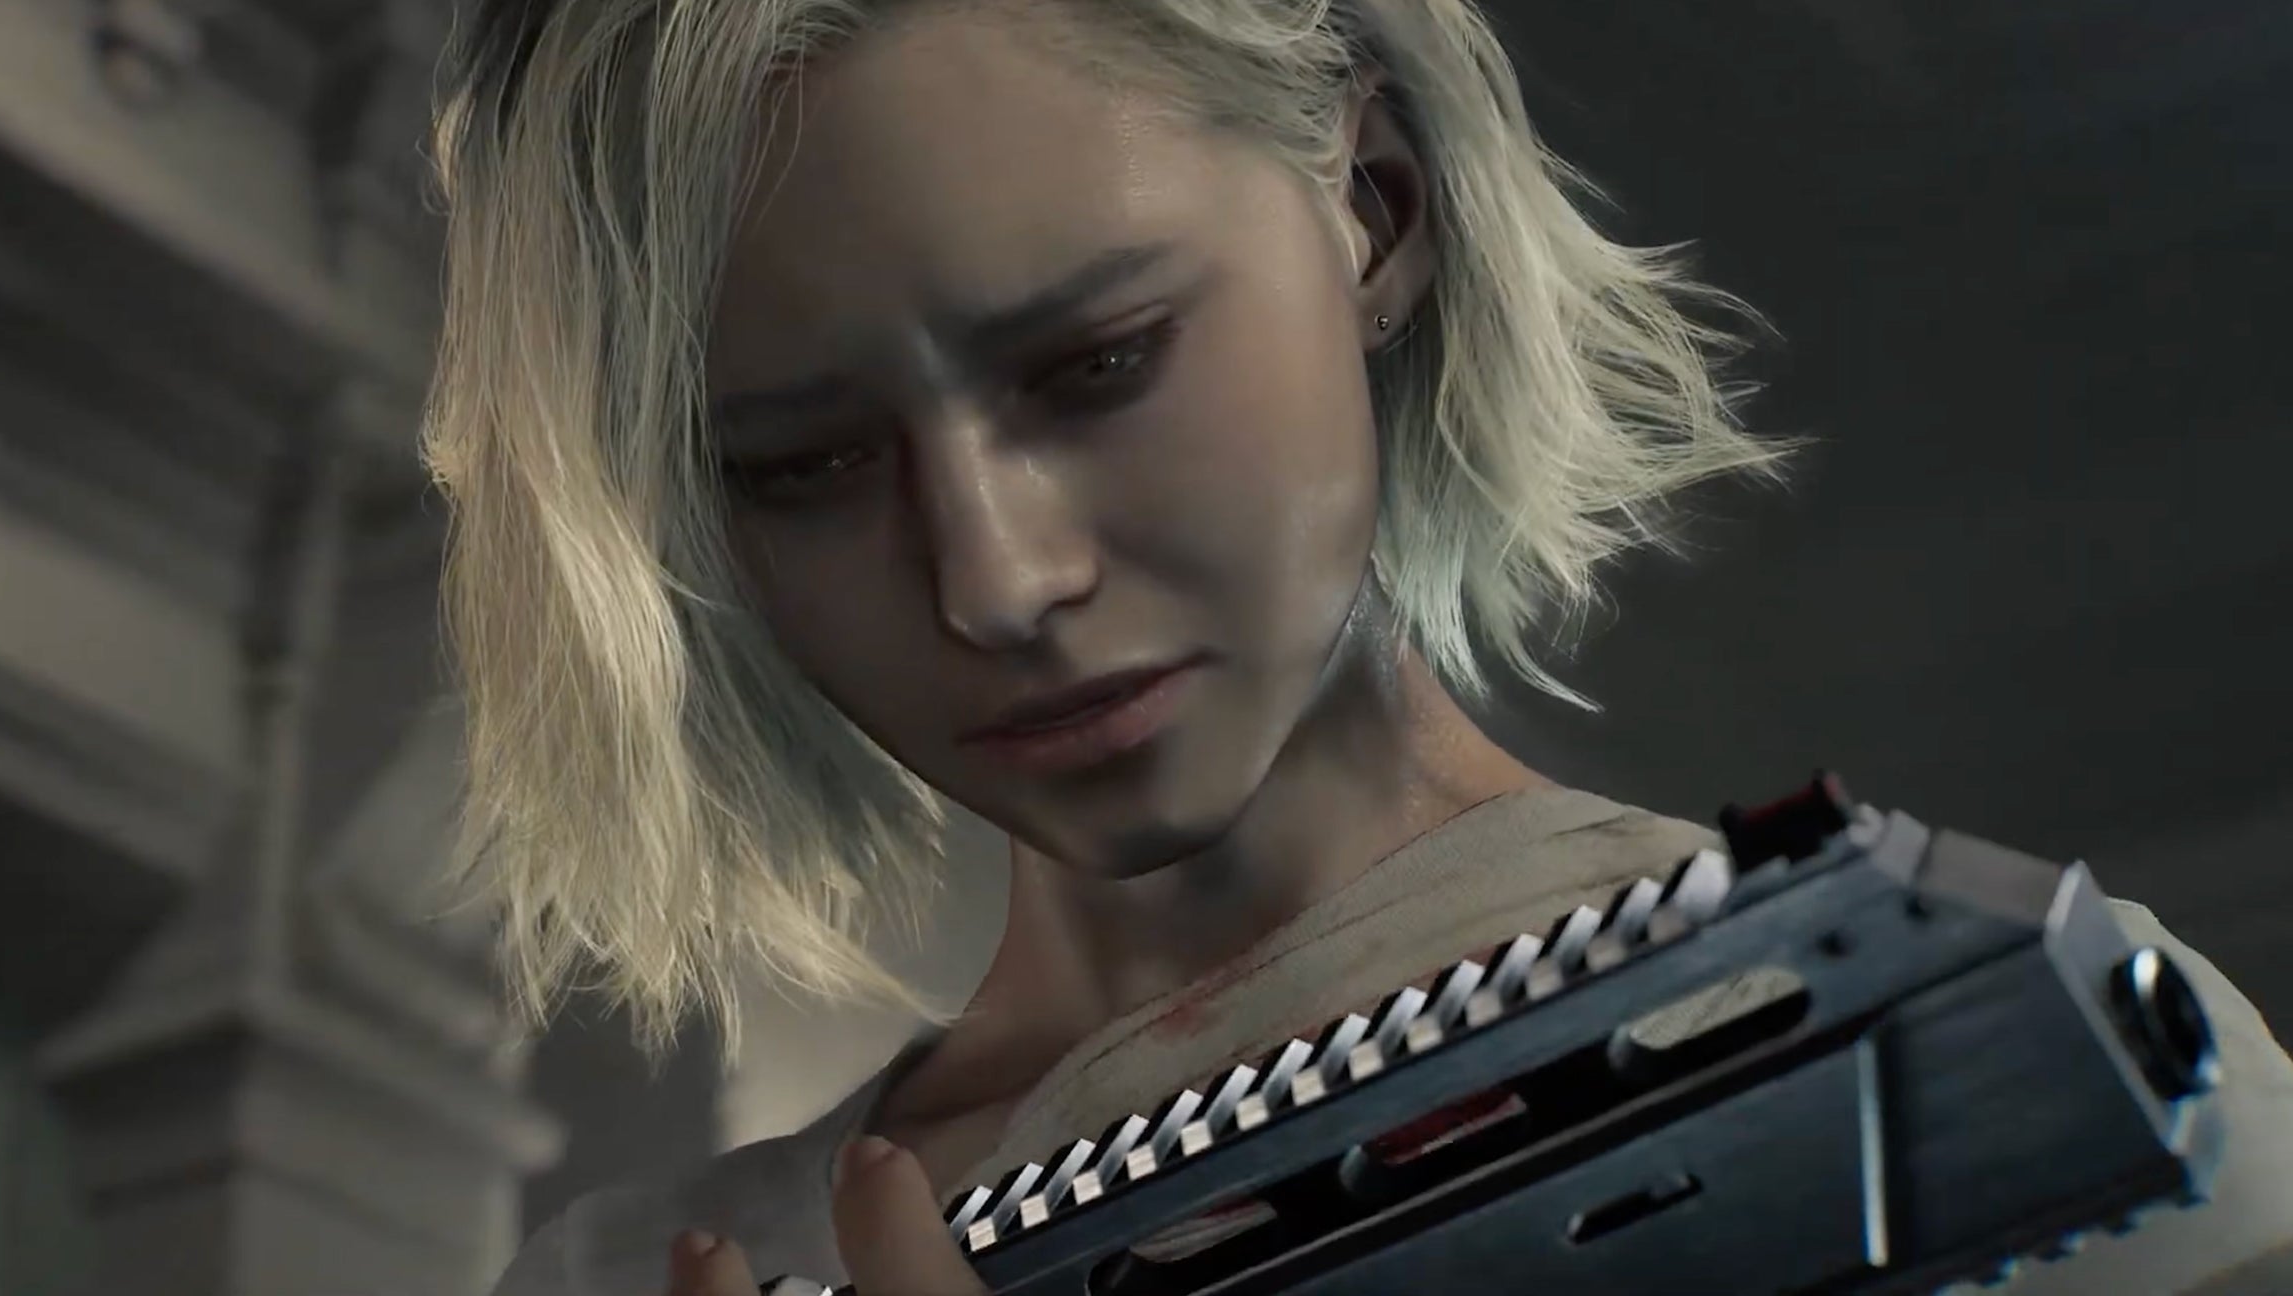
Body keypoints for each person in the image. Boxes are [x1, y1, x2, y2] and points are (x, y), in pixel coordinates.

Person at [418, 1, 2293, 1293]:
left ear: (1374, 212)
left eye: (1099, 363)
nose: (997, 578)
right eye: (808, 465)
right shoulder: (629, 1273)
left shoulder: (1995, 1050)